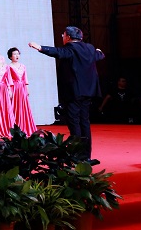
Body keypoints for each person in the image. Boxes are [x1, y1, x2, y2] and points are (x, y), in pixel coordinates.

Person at [29, 26, 105, 160]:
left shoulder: (71, 48)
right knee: (84, 122)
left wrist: (40, 48)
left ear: (68, 37)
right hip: (88, 91)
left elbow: (58, 52)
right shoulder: (89, 48)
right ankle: (86, 156)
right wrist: (98, 51)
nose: (62, 37)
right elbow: (100, 55)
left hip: (74, 92)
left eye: (63, 35)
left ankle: (77, 154)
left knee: (74, 122)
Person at [8, 47, 37, 135]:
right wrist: (10, 90)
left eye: (18, 54)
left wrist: (27, 89)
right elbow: (8, 79)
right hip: (14, 88)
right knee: (15, 106)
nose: (17, 56)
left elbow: (25, 79)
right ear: (10, 57)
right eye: (14, 54)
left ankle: (25, 126)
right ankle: (16, 127)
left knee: (24, 106)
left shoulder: (23, 66)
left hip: (22, 88)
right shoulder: (8, 66)